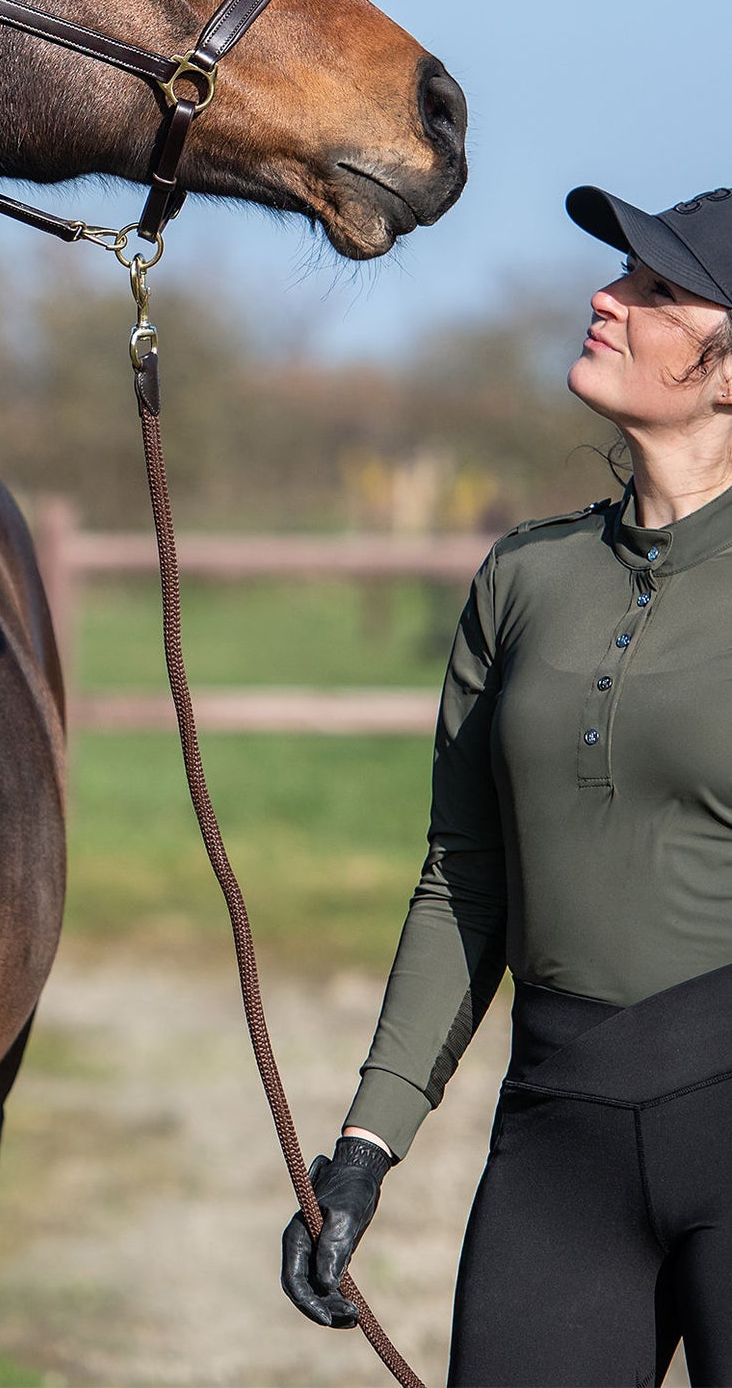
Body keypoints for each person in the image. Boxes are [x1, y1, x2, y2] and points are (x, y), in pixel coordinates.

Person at [280, 183, 732, 1387]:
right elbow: (462, 876)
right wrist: (364, 1147)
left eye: (653, 289)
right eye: (616, 278)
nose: (604, 298)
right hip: (556, 1133)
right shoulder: (521, 580)